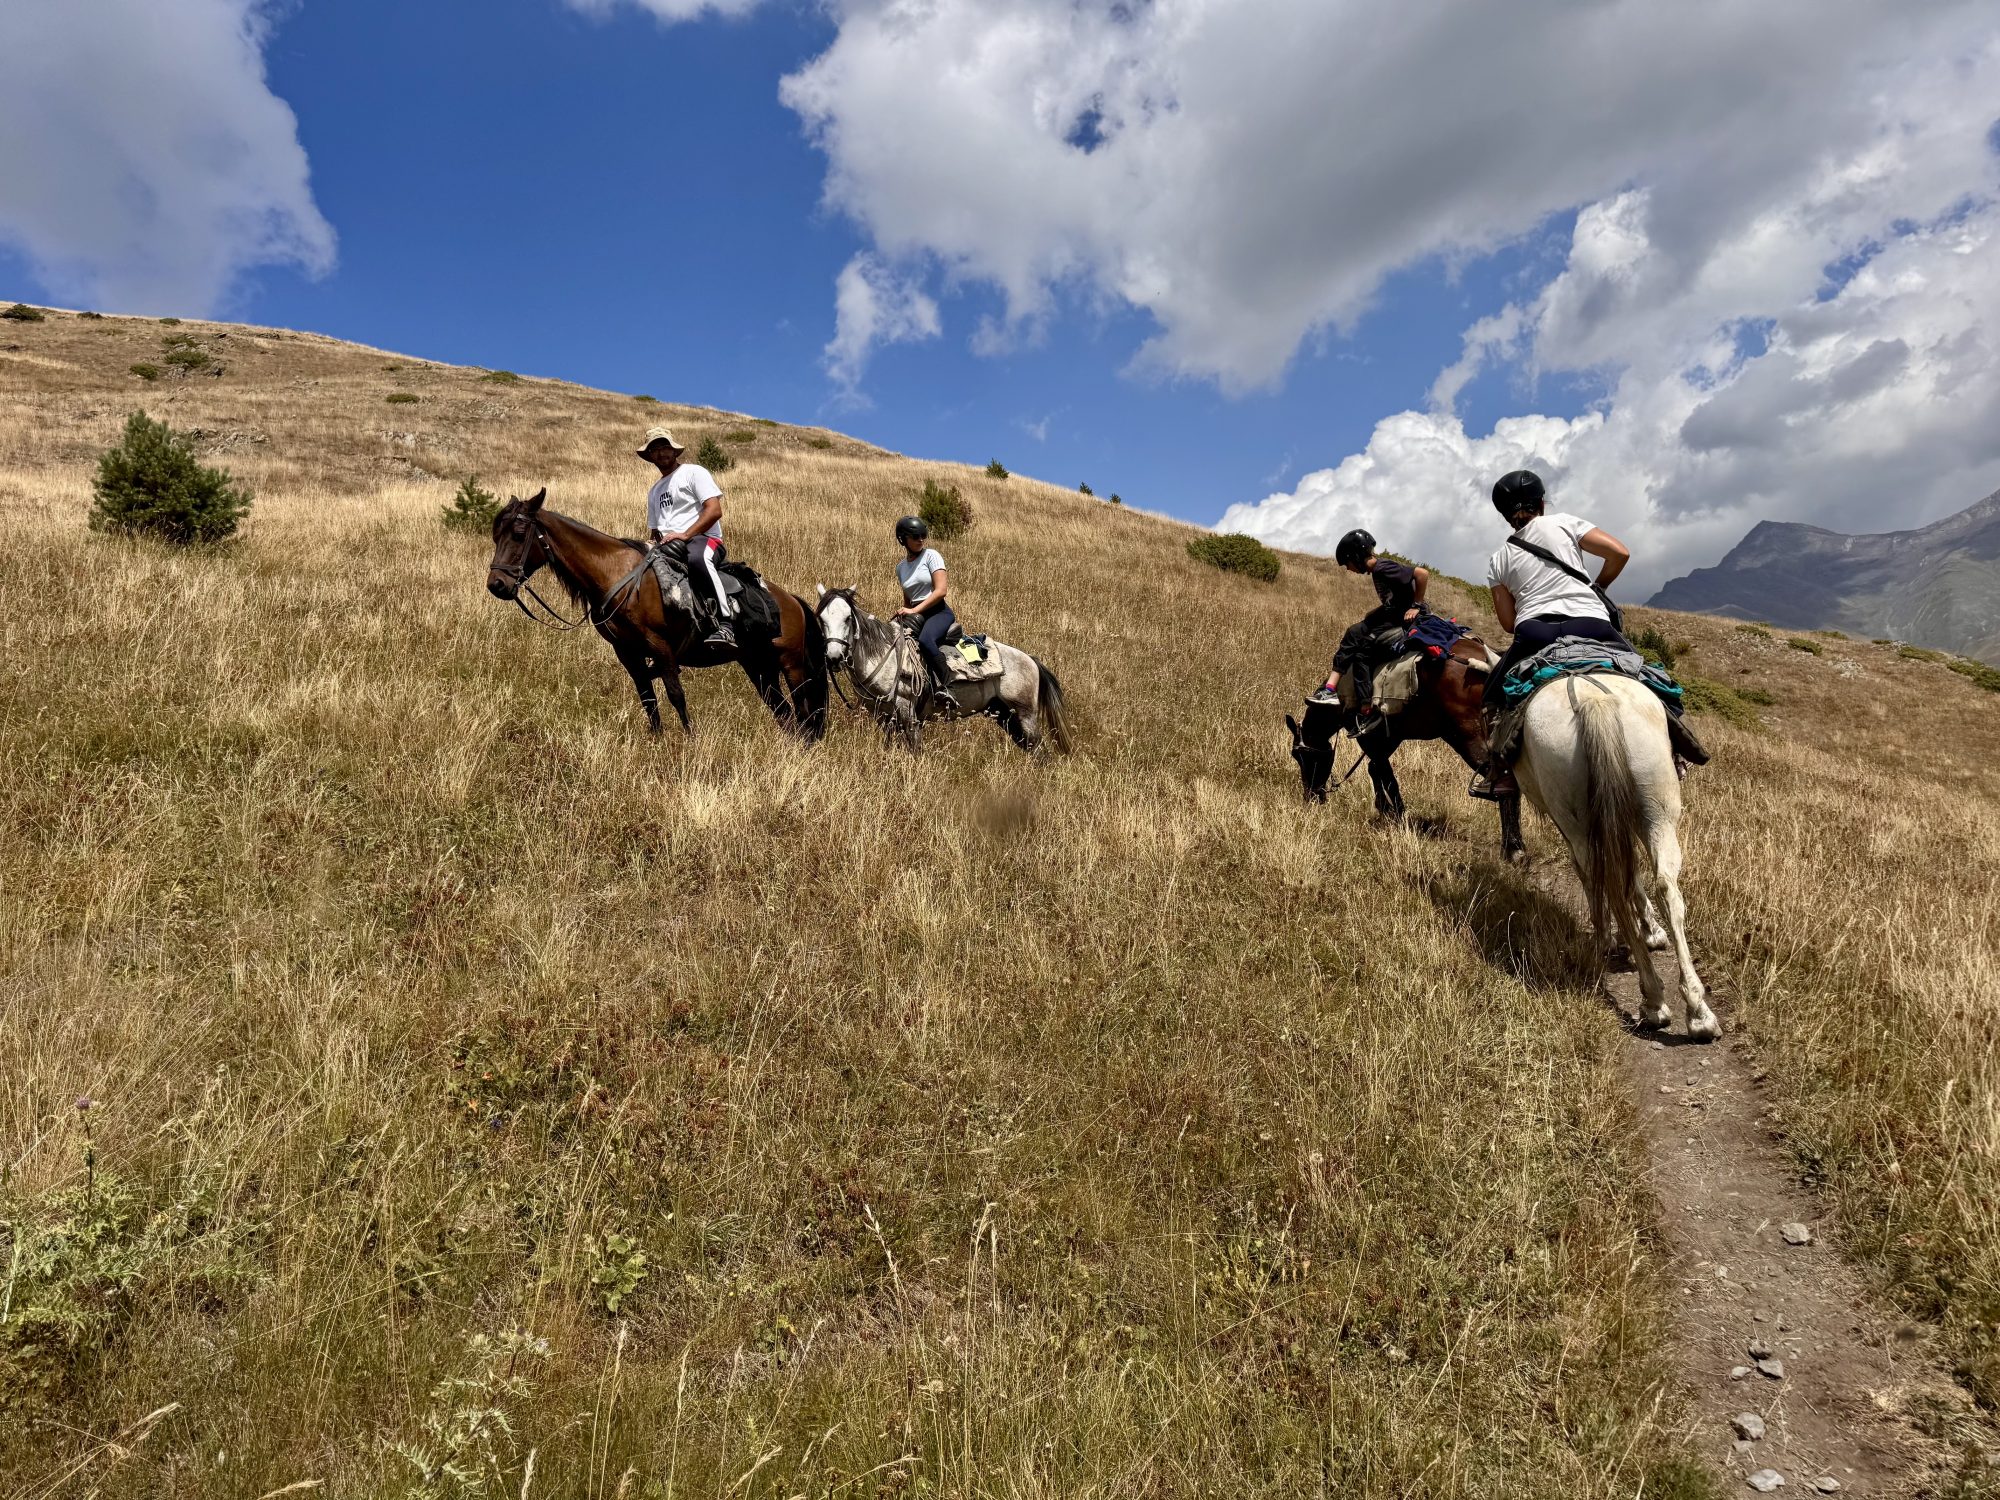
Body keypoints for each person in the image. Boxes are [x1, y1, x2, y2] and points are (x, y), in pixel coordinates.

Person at [1474, 468, 1636, 797]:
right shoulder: (1564, 522)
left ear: (1506, 517)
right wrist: (1598, 586)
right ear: (1542, 503)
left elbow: (1507, 622)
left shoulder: (1498, 560)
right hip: (1592, 623)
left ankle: (1500, 772)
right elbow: (1620, 553)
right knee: (1647, 676)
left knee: (1490, 699)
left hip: (1535, 633)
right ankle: (1677, 748)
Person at [1323, 528, 1428, 731]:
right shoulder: (1377, 571)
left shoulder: (1382, 568)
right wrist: (1375, 614)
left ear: (1356, 556)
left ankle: (1367, 709)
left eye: (1347, 563)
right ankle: (1330, 688)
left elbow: (1422, 574)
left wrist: (1416, 605)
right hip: (1395, 617)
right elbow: (1394, 600)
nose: (1348, 569)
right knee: (1355, 631)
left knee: (1363, 653)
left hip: (1408, 622)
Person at [639, 426, 734, 647]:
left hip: (702, 539)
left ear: (673, 450)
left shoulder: (693, 472)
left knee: (699, 559)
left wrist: (685, 534)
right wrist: (652, 543)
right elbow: (655, 529)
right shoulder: (653, 491)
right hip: (668, 545)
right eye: (655, 449)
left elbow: (714, 510)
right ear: (650, 456)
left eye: (664, 447)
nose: (661, 453)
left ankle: (726, 624)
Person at [893, 515, 954, 690]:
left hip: (938, 612)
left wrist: (914, 610)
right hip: (916, 614)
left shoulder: (931, 556)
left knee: (926, 640)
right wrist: (905, 612)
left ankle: (948, 687)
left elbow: (941, 591)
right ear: (903, 539)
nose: (921, 540)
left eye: (923, 536)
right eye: (915, 536)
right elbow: (908, 599)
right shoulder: (901, 567)